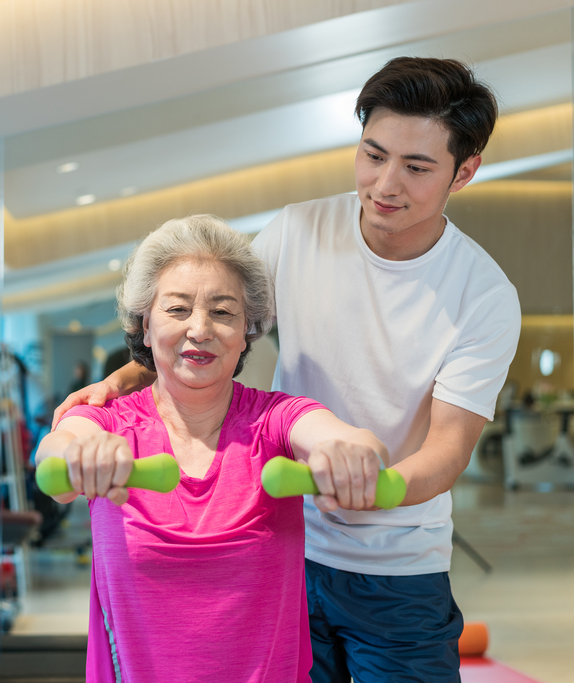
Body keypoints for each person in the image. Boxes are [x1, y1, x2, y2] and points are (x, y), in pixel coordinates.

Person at [54, 57, 522, 682]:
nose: (385, 183)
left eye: (415, 168)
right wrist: (114, 388)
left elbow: (448, 449)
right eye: (373, 154)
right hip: (289, 549)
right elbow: (211, 324)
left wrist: (372, 488)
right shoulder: (299, 231)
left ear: (464, 172)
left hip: (399, 566)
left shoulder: (484, 294)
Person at [38, 215, 392, 683]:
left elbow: (339, 436)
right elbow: (57, 454)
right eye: (178, 310)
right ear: (145, 327)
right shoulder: (107, 420)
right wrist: (78, 456)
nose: (200, 329)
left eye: (223, 312)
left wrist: (353, 452)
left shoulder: (275, 420)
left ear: (247, 330)